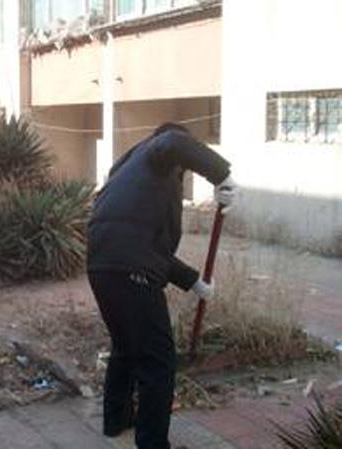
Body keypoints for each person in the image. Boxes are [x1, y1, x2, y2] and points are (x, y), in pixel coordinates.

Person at [87, 123, 237, 449]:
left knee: (126, 347)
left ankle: (117, 420)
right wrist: (221, 175)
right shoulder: (158, 154)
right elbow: (173, 140)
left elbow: (145, 246)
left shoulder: (128, 172)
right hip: (131, 271)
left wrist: (194, 281)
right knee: (158, 363)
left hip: (101, 266)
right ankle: (153, 444)